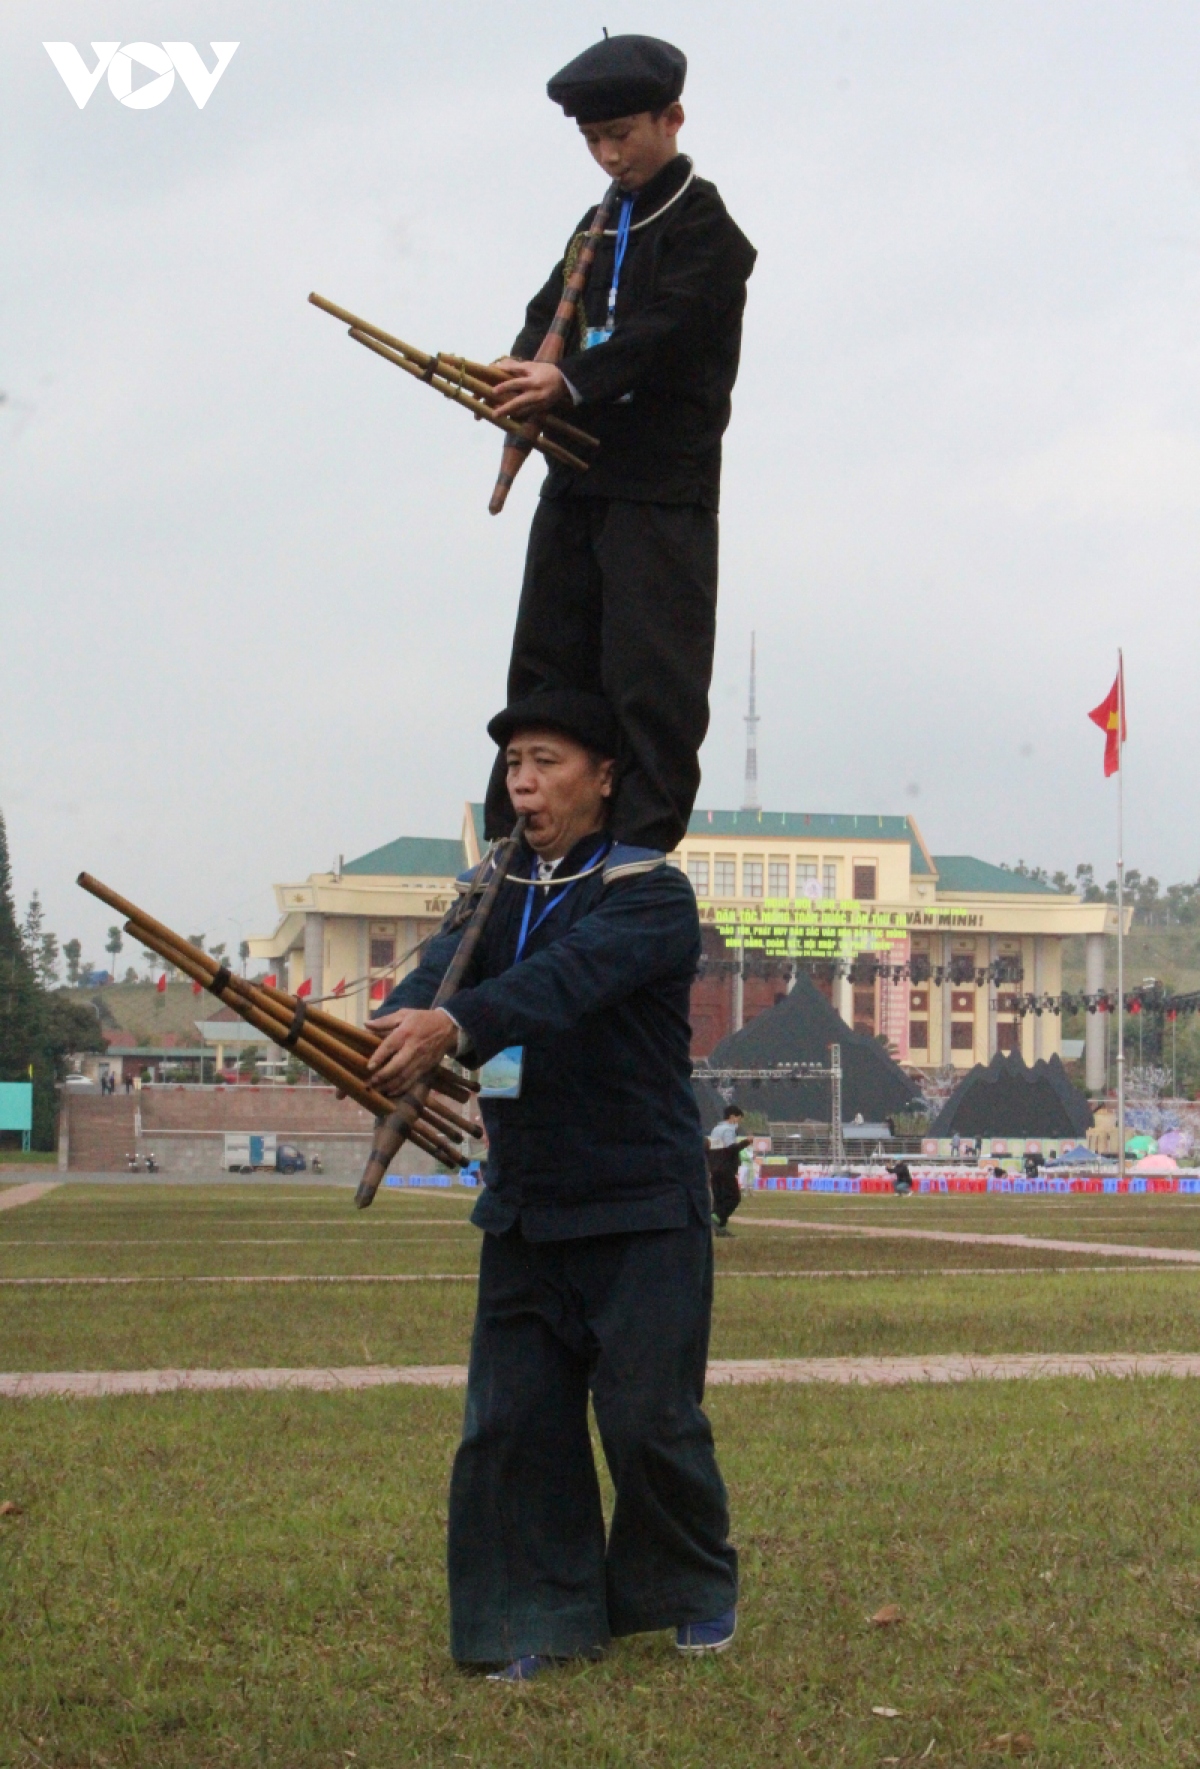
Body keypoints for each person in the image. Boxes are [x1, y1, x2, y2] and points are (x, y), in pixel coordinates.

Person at [368, 688, 738, 1682]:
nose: (523, 784)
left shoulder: (648, 891)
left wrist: (456, 1026)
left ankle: (692, 1585)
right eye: (514, 765)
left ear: (606, 775)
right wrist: (393, 1026)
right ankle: (532, 1614)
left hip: (641, 1201)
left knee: (648, 1419)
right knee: (513, 1421)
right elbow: (437, 977)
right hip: (528, 1200)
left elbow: (567, 979)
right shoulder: (492, 887)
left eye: (545, 761)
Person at [482, 34, 757, 854]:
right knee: (542, 669)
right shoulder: (594, 227)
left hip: (659, 494)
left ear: (671, 118)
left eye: (620, 136)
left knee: (651, 684)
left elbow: (658, 335)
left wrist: (566, 384)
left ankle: (636, 854)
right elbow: (546, 319)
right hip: (574, 480)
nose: (607, 156)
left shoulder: (709, 230)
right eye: (592, 140)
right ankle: (511, 850)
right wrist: (520, 373)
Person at [707, 1105, 750, 1236]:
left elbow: (713, 1150)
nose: (738, 1123)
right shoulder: (728, 1130)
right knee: (733, 1197)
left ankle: (720, 1229)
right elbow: (731, 1149)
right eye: (738, 1119)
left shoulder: (716, 1129)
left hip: (715, 1169)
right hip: (726, 1170)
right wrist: (746, 1142)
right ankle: (714, 1218)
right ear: (732, 1117)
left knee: (720, 1199)